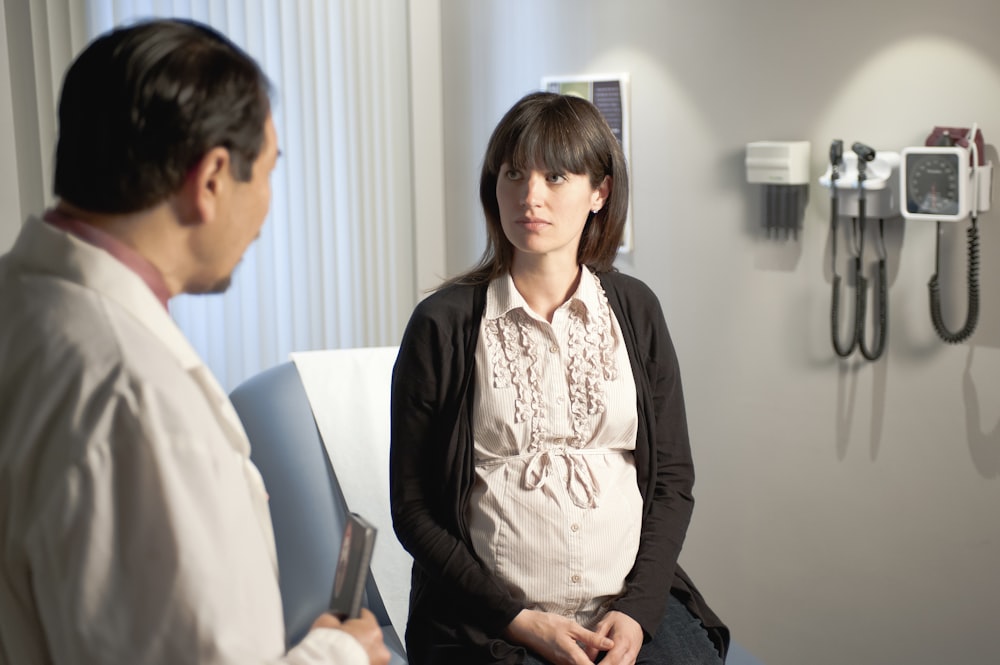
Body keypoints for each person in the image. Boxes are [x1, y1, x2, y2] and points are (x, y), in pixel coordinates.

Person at [0, 18, 389, 665]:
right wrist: (339, 653)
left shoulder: (24, 304)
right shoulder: (135, 398)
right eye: (265, 173)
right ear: (210, 179)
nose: (265, 211)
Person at [389, 91, 729, 665]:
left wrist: (639, 613)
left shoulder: (635, 308)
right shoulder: (442, 323)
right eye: (514, 174)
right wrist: (518, 621)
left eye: (556, 176)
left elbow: (672, 479)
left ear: (599, 192)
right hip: (489, 622)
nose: (530, 196)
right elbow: (414, 509)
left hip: (624, 609)